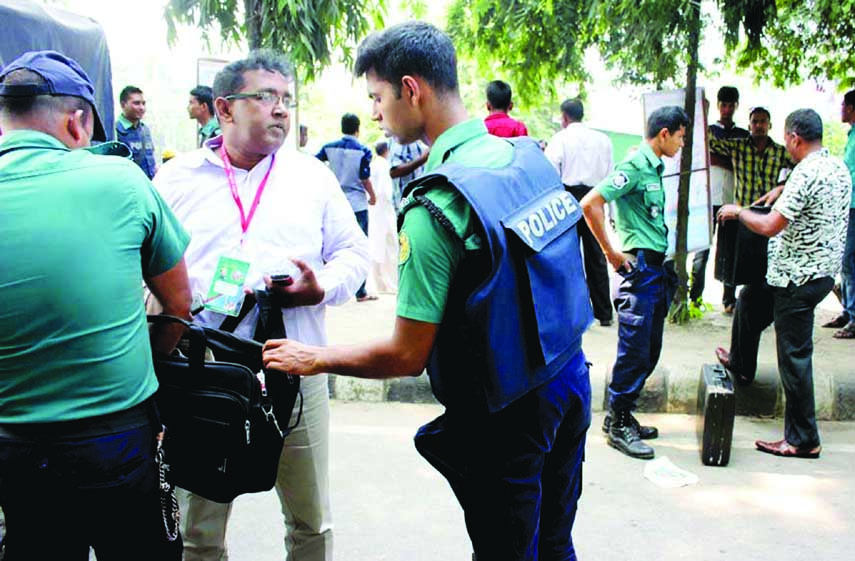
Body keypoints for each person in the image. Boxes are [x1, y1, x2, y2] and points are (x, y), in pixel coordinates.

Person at [262, 22, 593, 561]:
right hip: (570, 380)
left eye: (377, 97)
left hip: (508, 413)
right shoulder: (525, 158)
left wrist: (314, 357)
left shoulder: (435, 207)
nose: (375, 114)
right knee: (556, 543)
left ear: (410, 89)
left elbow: (406, 354)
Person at [153, 50, 369, 561]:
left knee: (310, 520)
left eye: (286, 99)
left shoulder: (310, 177)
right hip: (203, 370)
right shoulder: (177, 179)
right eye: (266, 97)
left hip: (296, 365)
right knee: (198, 530)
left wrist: (322, 287)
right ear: (224, 109)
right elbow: (145, 264)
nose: (280, 109)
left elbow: (354, 253)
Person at [0, 50, 192, 560]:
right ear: (77, 121)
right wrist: (139, 369)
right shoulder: (122, 180)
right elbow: (177, 304)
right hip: (116, 436)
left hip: (12, 446)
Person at [716, 109, 851, 458]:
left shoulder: (806, 173)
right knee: (749, 300)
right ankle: (741, 364)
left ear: (793, 137)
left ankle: (804, 439)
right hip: (811, 273)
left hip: (797, 279)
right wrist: (782, 188)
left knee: (794, 357)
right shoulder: (836, 167)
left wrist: (738, 211)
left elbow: (770, 225)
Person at [581, 106, 688, 460]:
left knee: (650, 349)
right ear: (664, 134)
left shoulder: (654, 168)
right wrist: (612, 253)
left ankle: (624, 414)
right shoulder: (634, 167)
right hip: (639, 270)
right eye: (681, 137)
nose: (681, 144)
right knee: (635, 350)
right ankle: (617, 420)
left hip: (656, 270)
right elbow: (591, 203)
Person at [712, 106, 797, 385]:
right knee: (742, 278)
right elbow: (711, 142)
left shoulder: (782, 153)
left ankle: (743, 358)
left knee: (756, 287)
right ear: (748, 125)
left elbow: (798, 171)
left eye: (763, 122)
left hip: (771, 221)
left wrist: (782, 188)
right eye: (755, 122)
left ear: (769, 125)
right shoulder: (738, 148)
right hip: (744, 216)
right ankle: (729, 301)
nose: (759, 126)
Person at [545, 97, 614, 326]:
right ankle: (604, 313)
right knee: (596, 255)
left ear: (564, 117)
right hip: (596, 197)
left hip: (568, 198)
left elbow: (551, 173)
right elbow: (609, 176)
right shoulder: (603, 140)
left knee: (569, 257)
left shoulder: (560, 139)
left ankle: (574, 314)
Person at [689, 86, 750, 310]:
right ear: (718, 106)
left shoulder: (744, 135)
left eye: (730, 104)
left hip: (733, 199)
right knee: (701, 250)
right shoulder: (708, 131)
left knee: (730, 250)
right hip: (707, 197)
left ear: (736, 106)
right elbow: (704, 156)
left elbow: (737, 160)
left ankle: (728, 300)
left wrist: (719, 157)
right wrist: (726, 158)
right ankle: (694, 298)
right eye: (723, 104)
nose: (726, 109)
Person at [316, 113, 377, 301]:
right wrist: (372, 196)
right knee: (359, 245)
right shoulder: (363, 150)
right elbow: (364, 177)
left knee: (329, 245)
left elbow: (315, 164)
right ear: (358, 129)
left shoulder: (328, 147)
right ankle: (360, 292)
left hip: (334, 201)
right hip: (357, 202)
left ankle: (327, 287)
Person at [825, 90, 855, 339]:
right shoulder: (851, 135)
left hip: (854, 206)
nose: (841, 108)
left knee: (848, 261)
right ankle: (848, 311)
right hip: (848, 206)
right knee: (845, 261)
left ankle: (853, 316)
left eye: (844, 104)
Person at [367, 141, 398, 293]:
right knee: (389, 245)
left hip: (374, 208)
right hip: (383, 208)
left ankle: (379, 283)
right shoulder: (385, 165)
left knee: (376, 244)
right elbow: (386, 191)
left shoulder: (373, 164)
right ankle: (387, 284)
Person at [116, 84, 157, 178]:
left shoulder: (145, 130)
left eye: (143, 103)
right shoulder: (116, 131)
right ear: (123, 105)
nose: (142, 108)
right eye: (136, 103)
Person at [388, 138, 428, 211]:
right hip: (408, 201)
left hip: (421, 198)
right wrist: (423, 159)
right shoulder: (401, 139)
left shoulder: (421, 139)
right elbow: (394, 172)